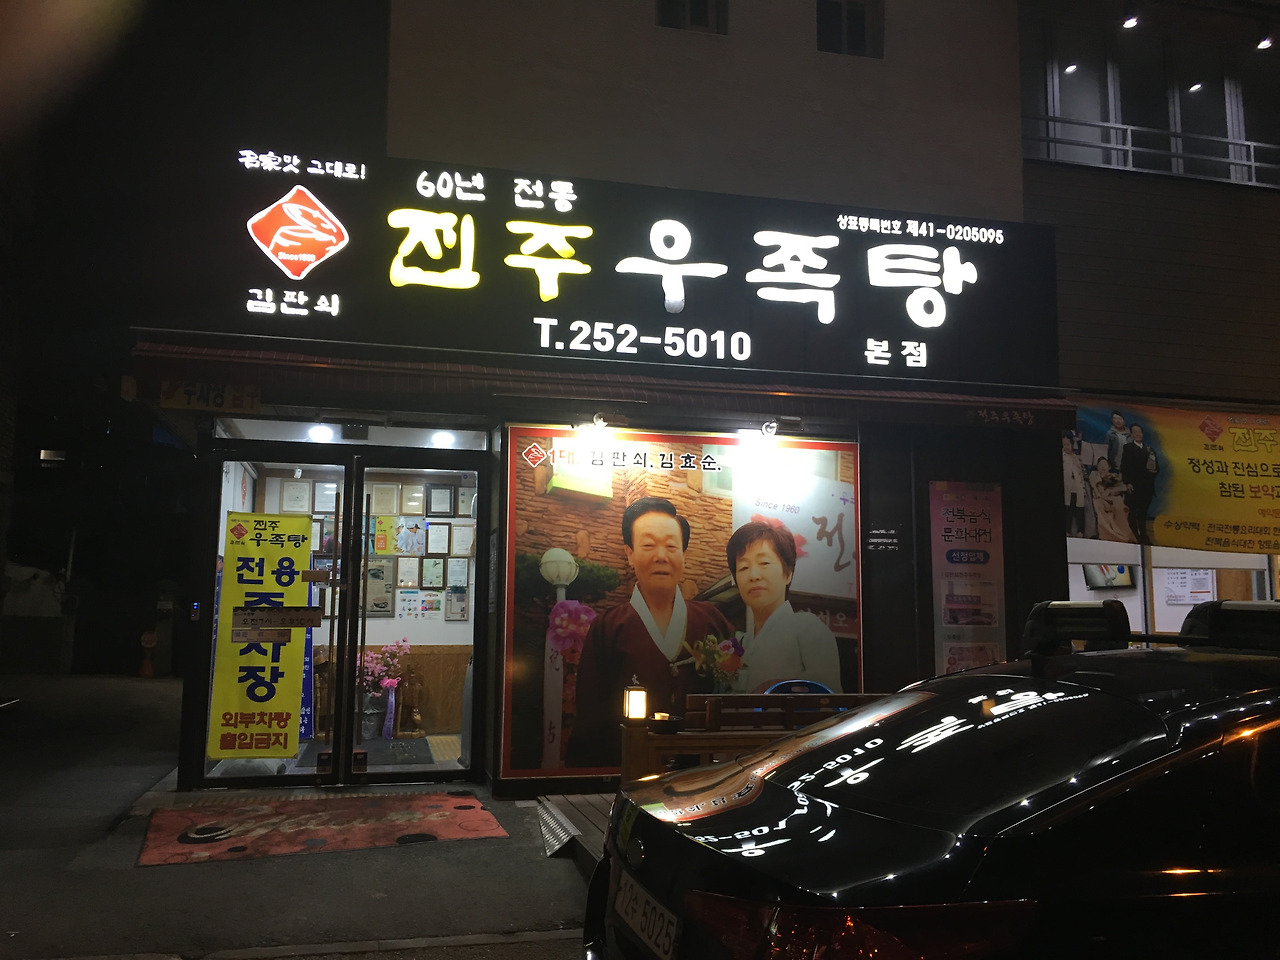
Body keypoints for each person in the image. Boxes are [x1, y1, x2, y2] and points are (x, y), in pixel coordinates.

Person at [566, 497, 735, 767]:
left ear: (683, 555)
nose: (661, 556)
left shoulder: (712, 621)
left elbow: (736, 694)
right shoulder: (609, 627)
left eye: (671, 546)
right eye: (648, 545)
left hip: (701, 771)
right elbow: (590, 717)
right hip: (628, 767)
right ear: (630, 554)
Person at [726, 520, 842, 694]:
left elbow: (828, 695)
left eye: (764, 563)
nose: (753, 575)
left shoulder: (807, 628)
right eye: (743, 567)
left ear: (788, 574)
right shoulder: (742, 643)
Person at [1120, 422, 1159, 544]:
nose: (1138, 434)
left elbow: (1156, 468)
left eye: (1139, 432)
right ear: (1131, 434)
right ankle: (1135, 536)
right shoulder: (1128, 448)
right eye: (1135, 432)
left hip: (1147, 487)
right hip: (1134, 486)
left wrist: (1152, 473)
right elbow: (1124, 467)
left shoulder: (1149, 449)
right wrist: (1127, 482)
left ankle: (1144, 536)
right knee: (1133, 512)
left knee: (1143, 513)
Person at [1090, 456, 1134, 543]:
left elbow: (1123, 488)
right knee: (1099, 506)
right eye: (1100, 465)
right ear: (1097, 467)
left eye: (1105, 464)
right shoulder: (1094, 475)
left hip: (1113, 498)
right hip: (1100, 498)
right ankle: (1107, 535)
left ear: (1109, 467)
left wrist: (1111, 491)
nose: (1103, 467)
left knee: (1118, 507)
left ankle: (1123, 535)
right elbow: (1094, 487)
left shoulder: (1114, 477)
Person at [1062, 434, 1087, 537]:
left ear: (1072, 444)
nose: (1066, 447)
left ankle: (1080, 531)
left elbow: (1082, 474)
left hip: (1078, 487)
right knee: (1068, 509)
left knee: (1079, 510)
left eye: (1068, 444)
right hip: (1067, 487)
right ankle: (1067, 530)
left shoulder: (1076, 458)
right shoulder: (1063, 456)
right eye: (1064, 445)